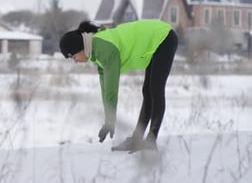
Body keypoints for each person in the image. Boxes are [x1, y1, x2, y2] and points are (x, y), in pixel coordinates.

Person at [59, 19, 178, 153]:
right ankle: (137, 140)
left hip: (163, 37)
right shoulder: (96, 52)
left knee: (155, 90)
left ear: (79, 48)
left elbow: (111, 88)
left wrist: (110, 120)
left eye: (73, 57)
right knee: (147, 91)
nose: (75, 61)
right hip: (156, 38)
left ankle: (151, 141)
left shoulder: (103, 48)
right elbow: (105, 88)